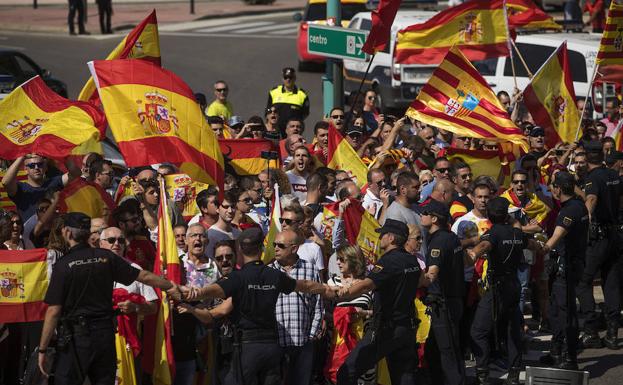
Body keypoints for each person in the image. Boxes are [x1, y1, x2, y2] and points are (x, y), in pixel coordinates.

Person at [37, 212, 182, 384]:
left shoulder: (62, 266)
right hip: (104, 336)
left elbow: (53, 310)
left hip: (77, 339)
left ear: (67, 232)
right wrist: (171, 285)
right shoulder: (106, 258)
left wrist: (42, 349)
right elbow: (143, 276)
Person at [182, 227, 329, 385]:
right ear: (262, 248)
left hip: (248, 348)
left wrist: (194, 296)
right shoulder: (274, 275)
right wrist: (330, 290)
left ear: (239, 249)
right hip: (272, 348)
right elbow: (306, 285)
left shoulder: (237, 278)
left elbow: (213, 294)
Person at [333, 219, 428, 385]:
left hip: (386, 329)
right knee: (403, 375)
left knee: (346, 373)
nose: (380, 238)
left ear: (390, 238)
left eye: (382, 235)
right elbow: (422, 281)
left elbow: (366, 285)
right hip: (407, 327)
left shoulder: (387, 261)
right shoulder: (412, 260)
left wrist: (343, 292)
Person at [467, 198, 539, 385]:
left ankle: (482, 375)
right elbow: (536, 246)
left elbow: (483, 247)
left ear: (490, 216)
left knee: (478, 331)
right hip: (514, 285)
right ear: (506, 214)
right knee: (512, 330)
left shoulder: (493, 233)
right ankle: (514, 375)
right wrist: (545, 246)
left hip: (497, 289)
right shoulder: (517, 233)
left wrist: (472, 254)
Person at [538, 172, 588, 370]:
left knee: (567, 312)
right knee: (557, 310)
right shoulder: (578, 206)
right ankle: (556, 350)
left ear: (558, 188)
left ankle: (570, 357)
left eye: (552, 186)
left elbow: (555, 239)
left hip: (566, 268)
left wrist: (539, 247)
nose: (551, 189)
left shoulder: (569, 211)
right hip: (570, 265)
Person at [577, 140, 622, 349]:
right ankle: (612, 332)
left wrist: (581, 221)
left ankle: (591, 329)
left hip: (599, 237)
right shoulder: (613, 175)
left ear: (586, 157)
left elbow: (592, 200)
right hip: (615, 234)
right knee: (611, 283)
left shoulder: (592, 178)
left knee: (583, 281)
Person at [269, 230, 324, 385]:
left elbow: (318, 304)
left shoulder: (311, 269)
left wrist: (311, 336)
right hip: (276, 341)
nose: (276, 248)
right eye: (274, 244)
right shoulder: (269, 272)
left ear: (294, 248)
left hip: (303, 341)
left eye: (280, 245)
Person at [420, 200, 465, 385]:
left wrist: (410, 277)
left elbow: (432, 275)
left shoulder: (438, 241)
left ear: (434, 219)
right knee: (437, 349)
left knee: (448, 351)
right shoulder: (452, 237)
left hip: (442, 304)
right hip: (454, 300)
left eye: (425, 213)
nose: (421, 215)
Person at [2, 154, 80, 220]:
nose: (36, 168)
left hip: (52, 235)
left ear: (45, 167)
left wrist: (63, 153)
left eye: (40, 164)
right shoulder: (21, 188)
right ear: (26, 169)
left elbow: (75, 173)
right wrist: (22, 156)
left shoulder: (53, 183)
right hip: (30, 236)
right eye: (32, 166)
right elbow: (6, 182)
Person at [267, 67, 310, 136]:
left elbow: (305, 113)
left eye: (291, 77)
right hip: (276, 131)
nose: (288, 80)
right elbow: (268, 111)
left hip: (293, 132)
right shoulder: (273, 92)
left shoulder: (302, 94)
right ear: (282, 78)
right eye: (285, 77)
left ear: (295, 78)